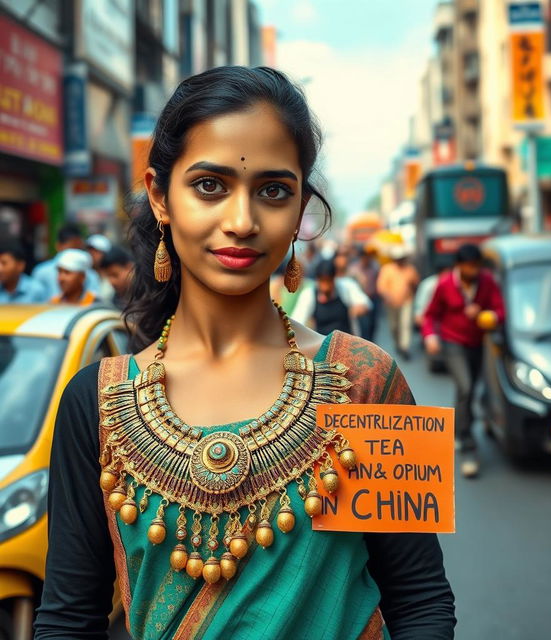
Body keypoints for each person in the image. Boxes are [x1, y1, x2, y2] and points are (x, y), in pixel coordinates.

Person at [34, 66, 455, 640]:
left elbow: (420, 602)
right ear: (160, 197)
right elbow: (68, 619)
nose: (242, 221)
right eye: (210, 185)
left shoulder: (364, 379)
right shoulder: (96, 403)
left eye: (273, 191)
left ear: (301, 206)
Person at [422, 244, 505, 478]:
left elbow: (501, 311)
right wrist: (430, 336)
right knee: (467, 387)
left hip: (477, 344)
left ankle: (458, 431)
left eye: (476, 266)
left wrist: (486, 315)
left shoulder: (487, 282)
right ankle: (468, 445)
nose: (473, 271)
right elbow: (431, 314)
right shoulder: (445, 284)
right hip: (452, 343)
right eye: (468, 266)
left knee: (466, 391)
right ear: (458, 266)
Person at [291, 258, 371, 335]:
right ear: (317, 280)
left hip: (346, 342)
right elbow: (298, 320)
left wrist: (357, 309)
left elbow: (365, 303)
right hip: (322, 344)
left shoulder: (346, 287)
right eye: (322, 281)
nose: (325, 287)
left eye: (328, 281)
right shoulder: (309, 294)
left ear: (334, 278)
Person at [32, 223, 101, 298]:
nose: (61, 278)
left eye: (79, 249)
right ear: (59, 246)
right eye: (60, 272)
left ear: (82, 277)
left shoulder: (91, 275)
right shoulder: (42, 272)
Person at [376, 245, 420, 360]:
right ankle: (398, 344)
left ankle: (405, 347)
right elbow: (381, 287)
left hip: (407, 301)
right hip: (391, 303)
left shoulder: (410, 269)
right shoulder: (387, 269)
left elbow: (415, 283)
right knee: (394, 327)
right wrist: (387, 296)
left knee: (405, 325)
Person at [348, 247, 380, 342]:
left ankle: (372, 342)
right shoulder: (354, 270)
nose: (367, 259)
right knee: (364, 325)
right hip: (360, 301)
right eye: (365, 257)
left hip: (373, 298)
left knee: (373, 323)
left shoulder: (374, 267)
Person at [100, 246, 135, 310]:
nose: (111, 281)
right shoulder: (114, 300)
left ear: (129, 268)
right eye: (108, 276)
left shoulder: (150, 295)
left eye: (115, 275)